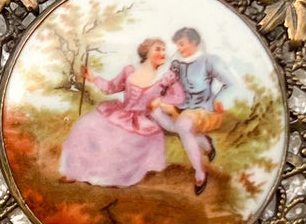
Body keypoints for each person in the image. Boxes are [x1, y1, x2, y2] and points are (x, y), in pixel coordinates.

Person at [57, 38, 177, 188]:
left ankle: (108, 178)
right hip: (121, 113)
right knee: (86, 124)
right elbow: (111, 87)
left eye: (164, 50)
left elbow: (178, 97)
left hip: (142, 123)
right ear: (146, 52)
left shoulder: (165, 79)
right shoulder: (129, 71)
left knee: (121, 141)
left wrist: (161, 102)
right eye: (158, 49)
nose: (163, 53)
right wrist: (93, 78)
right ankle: (74, 172)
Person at [150, 27, 234, 194]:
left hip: (205, 110)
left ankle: (200, 173)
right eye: (178, 45)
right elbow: (166, 82)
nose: (179, 49)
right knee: (155, 112)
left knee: (183, 125)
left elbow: (230, 83)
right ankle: (204, 142)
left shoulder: (209, 61)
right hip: (182, 108)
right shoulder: (177, 64)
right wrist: (158, 96)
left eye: (182, 44)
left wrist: (220, 100)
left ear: (194, 43)